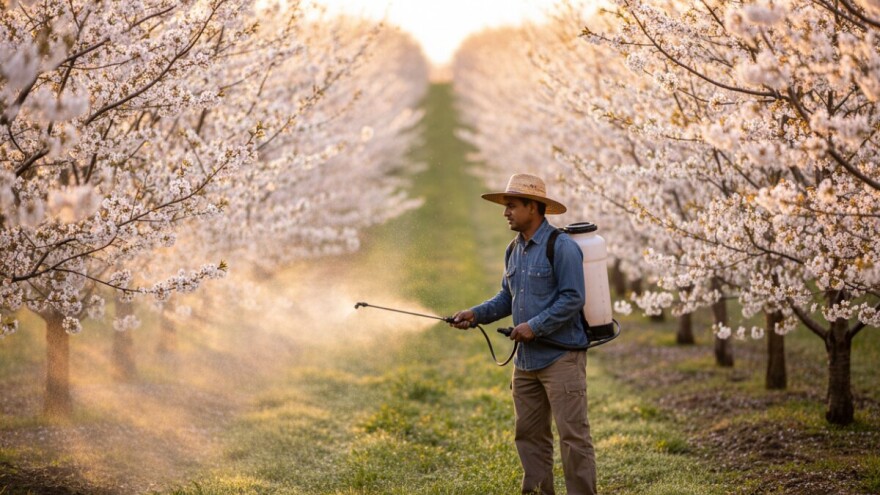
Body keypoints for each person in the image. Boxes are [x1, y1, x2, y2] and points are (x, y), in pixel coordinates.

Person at [450, 173, 597, 495]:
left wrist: (535, 326)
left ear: (534, 207)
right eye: (505, 207)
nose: (505, 213)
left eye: (512, 206)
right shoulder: (513, 250)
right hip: (526, 362)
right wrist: (476, 314)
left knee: (573, 437)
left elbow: (573, 298)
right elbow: (507, 296)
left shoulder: (562, 247)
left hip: (561, 357)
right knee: (528, 436)